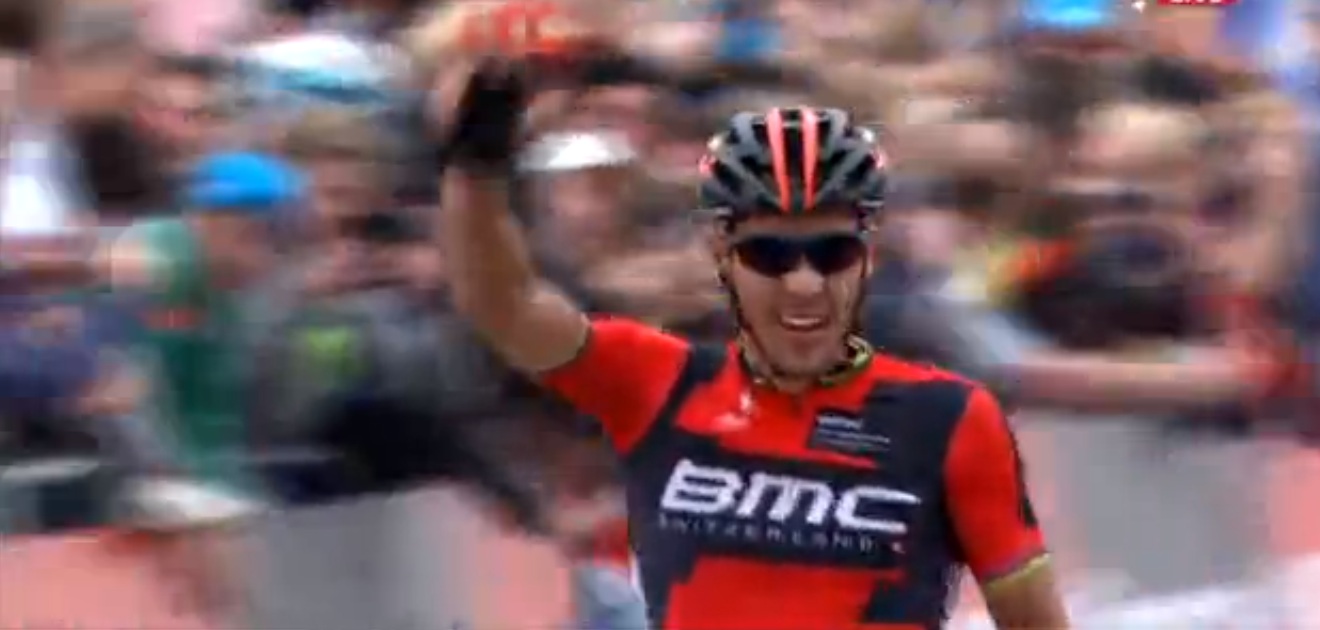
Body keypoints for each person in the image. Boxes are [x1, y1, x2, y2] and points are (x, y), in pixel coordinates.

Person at [430, 57, 1069, 629]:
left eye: (833, 254)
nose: (804, 284)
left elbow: (1032, 619)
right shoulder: (658, 378)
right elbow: (504, 307)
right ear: (722, 253)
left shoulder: (952, 417)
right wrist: (474, 174)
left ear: (869, 254)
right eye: (770, 255)